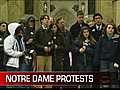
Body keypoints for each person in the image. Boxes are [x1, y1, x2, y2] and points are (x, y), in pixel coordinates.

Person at [3, 23, 30, 88]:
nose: (21, 31)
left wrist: (25, 52)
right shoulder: (9, 39)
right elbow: (8, 51)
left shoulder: (20, 39)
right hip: (11, 63)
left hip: (20, 62)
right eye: (19, 30)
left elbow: (22, 48)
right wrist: (20, 53)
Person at [94, 23, 120, 88]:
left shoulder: (118, 39)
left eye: (112, 28)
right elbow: (98, 50)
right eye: (109, 28)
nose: (111, 29)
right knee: (104, 79)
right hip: (103, 61)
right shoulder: (102, 38)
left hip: (113, 61)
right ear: (106, 29)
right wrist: (96, 61)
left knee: (113, 78)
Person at [33, 14, 53, 89]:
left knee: (48, 73)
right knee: (40, 73)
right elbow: (35, 43)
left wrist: (50, 47)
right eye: (45, 18)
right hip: (40, 54)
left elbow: (52, 42)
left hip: (49, 55)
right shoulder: (38, 31)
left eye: (47, 18)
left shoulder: (50, 31)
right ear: (41, 20)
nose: (47, 20)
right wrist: (43, 48)